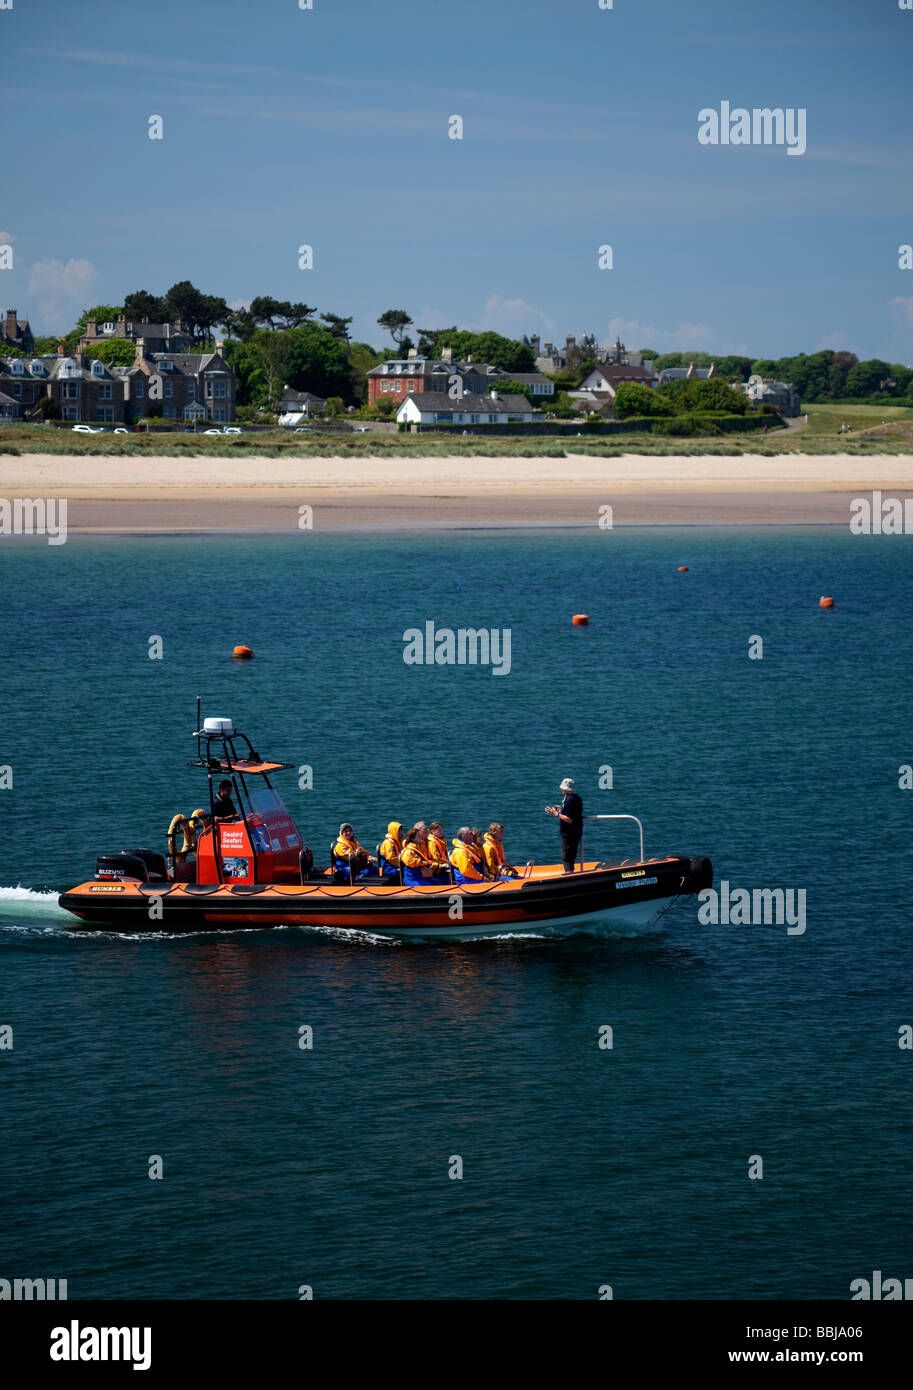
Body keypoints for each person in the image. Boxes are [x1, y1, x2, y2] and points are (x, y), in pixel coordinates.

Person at [546, 776, 583, 873]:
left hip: (569, 833)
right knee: (571, 856)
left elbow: (569, 819)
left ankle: (569, 875)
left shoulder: (570, 800)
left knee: (567, 858)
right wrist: (561, 810)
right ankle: (571, 873)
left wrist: (556, 814)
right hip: (576, 831)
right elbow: (573, 814)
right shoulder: (576, 798)